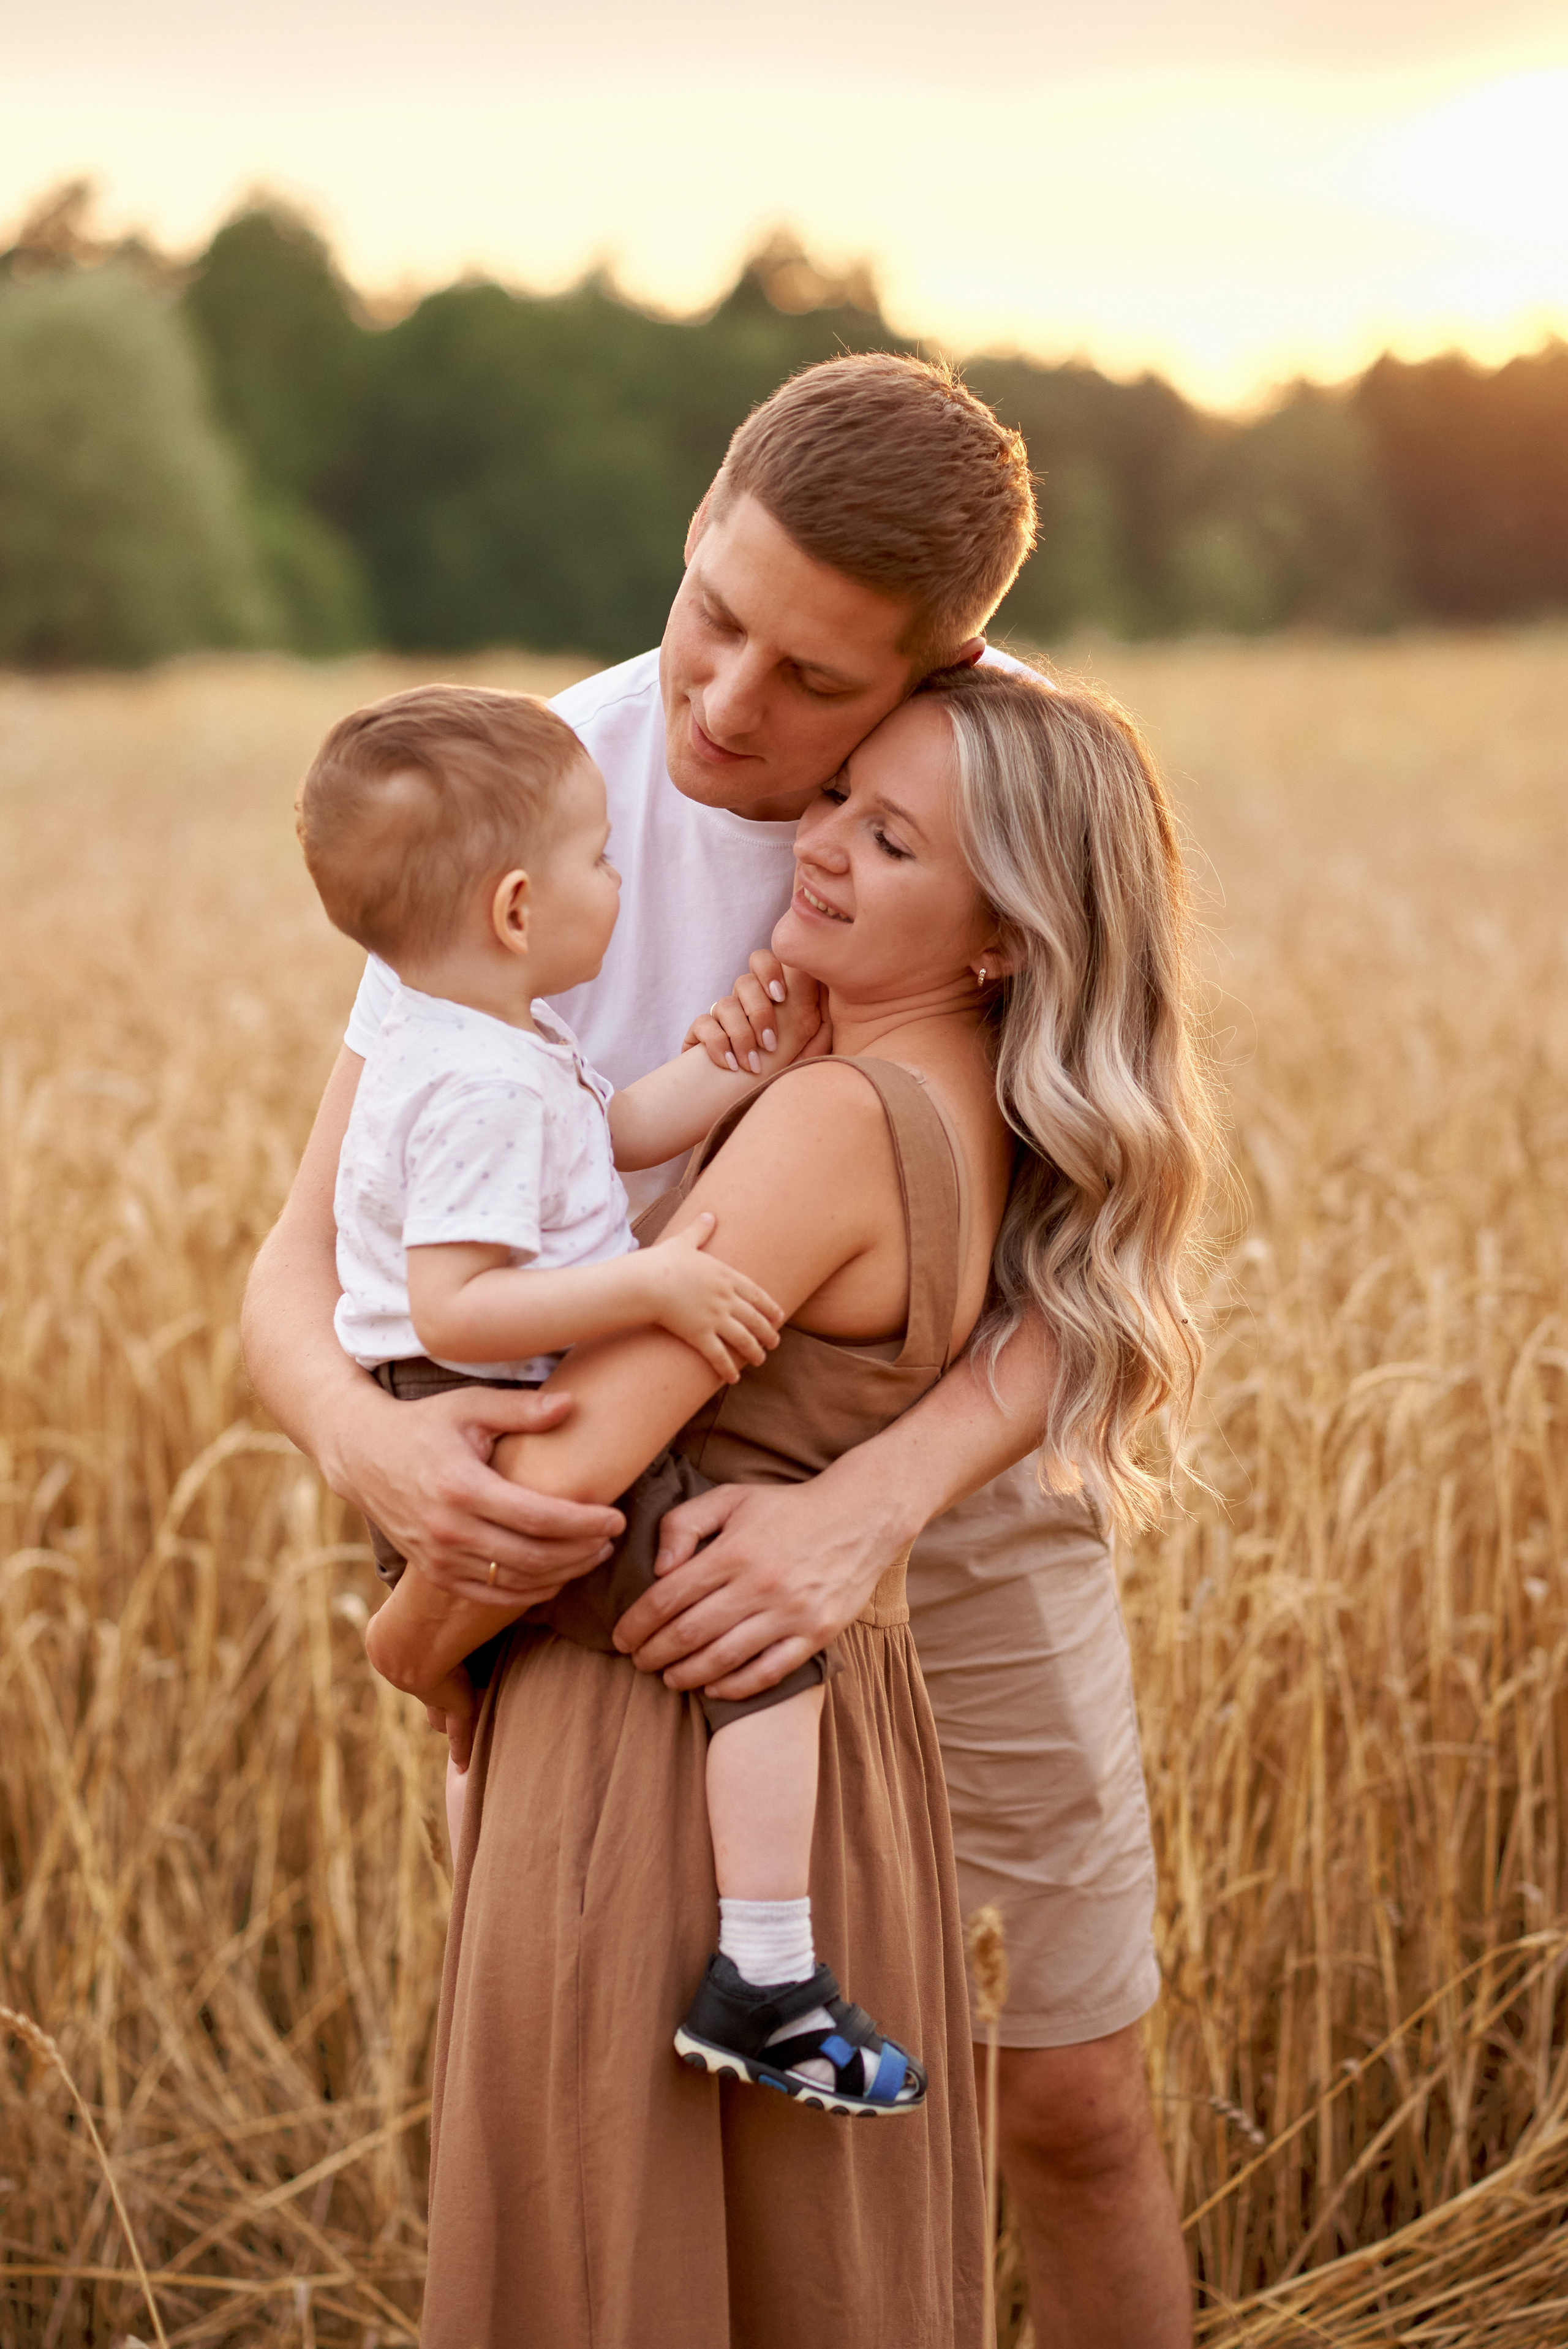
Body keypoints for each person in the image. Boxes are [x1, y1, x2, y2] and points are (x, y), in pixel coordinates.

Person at [242, 352, 1197, 2344]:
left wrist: (870, 1505)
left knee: (1076, 2093)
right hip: (596, 1497)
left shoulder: (996, 793)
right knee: (616, 2121)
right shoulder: (516, 795)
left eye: (819, 688)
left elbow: (1090, 1245)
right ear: (692, 530)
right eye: (712, 617)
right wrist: (382, 1456)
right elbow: (298, 1260)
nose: (728, 708)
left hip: (937, 1462)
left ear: (947, 670)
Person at [399, 664, 1208, 2343]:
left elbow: (566, 1469)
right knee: (805, 2266)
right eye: (840, 798)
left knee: (613, 2252)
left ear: (1001, 940)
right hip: (832, 1733)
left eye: (889, 839)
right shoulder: (964, 1106)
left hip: (651, 1732)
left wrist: (410, 1646)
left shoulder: (833, 1124)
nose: (819, 844)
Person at [298, 677, 925, 2110]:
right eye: (596, 859)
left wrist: (728, 1065)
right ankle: (766, 1977)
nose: (620, 876)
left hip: (483, 1403)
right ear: (519, 910)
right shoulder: (478, 1086)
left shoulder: (499, 1047)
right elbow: (460, 1300)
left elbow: (619, 1131)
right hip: (482, 1417)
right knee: (763, 1651)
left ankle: (492, 1930)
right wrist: (650, 1287)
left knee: (493, 1693)